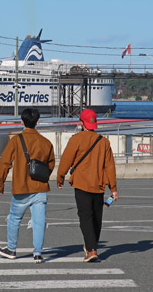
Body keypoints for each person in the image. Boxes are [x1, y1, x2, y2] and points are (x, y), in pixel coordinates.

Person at [57, 108, 119, 262]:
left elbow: (65, 160)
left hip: (81, 184)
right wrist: (114, 189)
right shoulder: (104, 142)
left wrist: (60, 177)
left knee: (85, 216)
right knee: (97, 217)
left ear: (82, 124)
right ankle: (92, 246)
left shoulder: (76, 139)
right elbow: (110, 167)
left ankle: (91, 250)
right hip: (99, 185)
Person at [0, 108, 55, 264]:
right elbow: (51, 164)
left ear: (22, 121)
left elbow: (4, 163)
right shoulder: (46, 143)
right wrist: (43, 176)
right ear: (37, 122)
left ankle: (11, 249)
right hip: (40, 188)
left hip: (21, 187)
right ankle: (38, 253)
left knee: (14, 218)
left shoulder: (15, 141)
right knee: (39, 222)